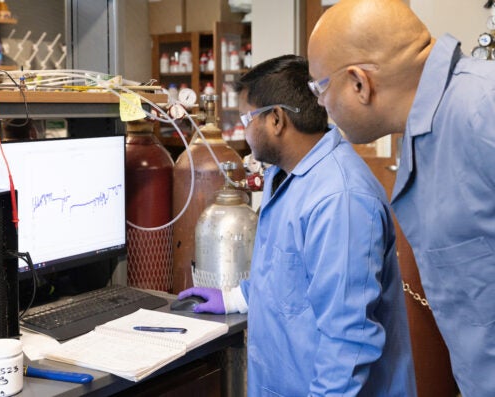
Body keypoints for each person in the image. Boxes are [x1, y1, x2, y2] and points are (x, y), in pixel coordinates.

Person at [177, 54, 416, 396]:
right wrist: (235, 298)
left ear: (276, 119)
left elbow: (347, 341)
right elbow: (290, 274)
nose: (245, 131)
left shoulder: (340, 200)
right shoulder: (286, 176)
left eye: (247, 118)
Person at [306, 1, 495, 396]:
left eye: (320, 88)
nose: (320, 104)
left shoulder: (483, 110)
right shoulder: (426, 130)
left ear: (360, 83)